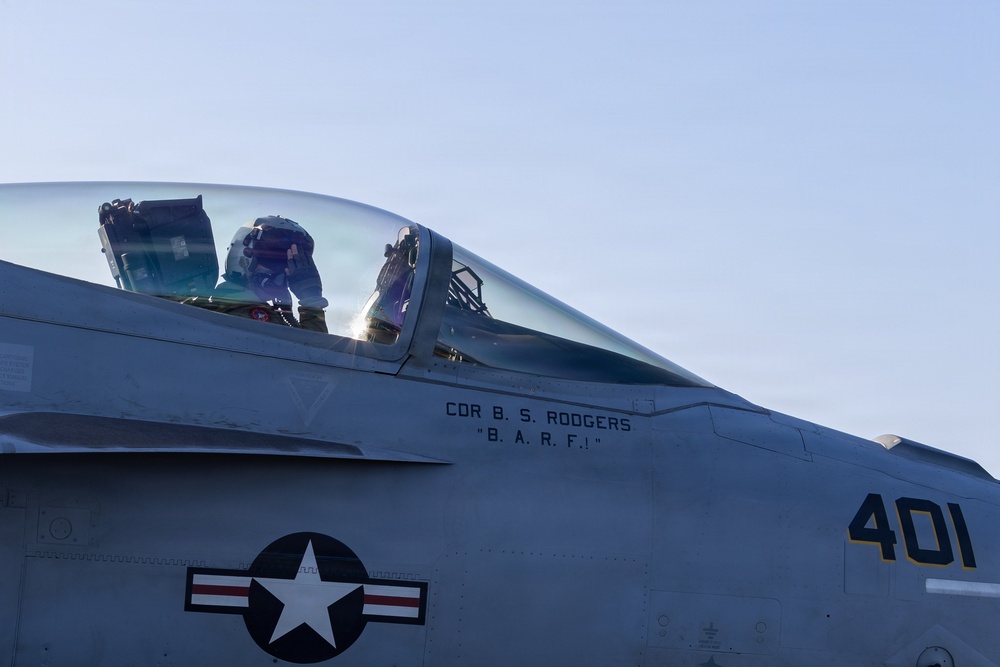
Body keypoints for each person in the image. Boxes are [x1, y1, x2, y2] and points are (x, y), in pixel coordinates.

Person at [190, 216, 329, 333]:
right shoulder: (243, 313)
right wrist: (312, 301)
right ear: (243, 258)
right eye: (273, 259)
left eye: (290, 263)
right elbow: (311, 356)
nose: (283, 270)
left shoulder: (225, 306)